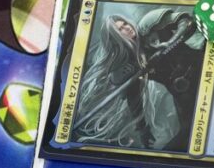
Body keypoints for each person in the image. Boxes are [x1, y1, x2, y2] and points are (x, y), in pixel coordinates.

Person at [72, 14, 181, 149]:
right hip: (172, 90)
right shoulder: (128, 63)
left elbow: (182, 20)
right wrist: (142, 129)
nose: (127, 28)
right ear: (115, 37)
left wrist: (170, 42)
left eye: (125, 24)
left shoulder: (146, 28)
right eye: (120, 29)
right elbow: (133, 97)